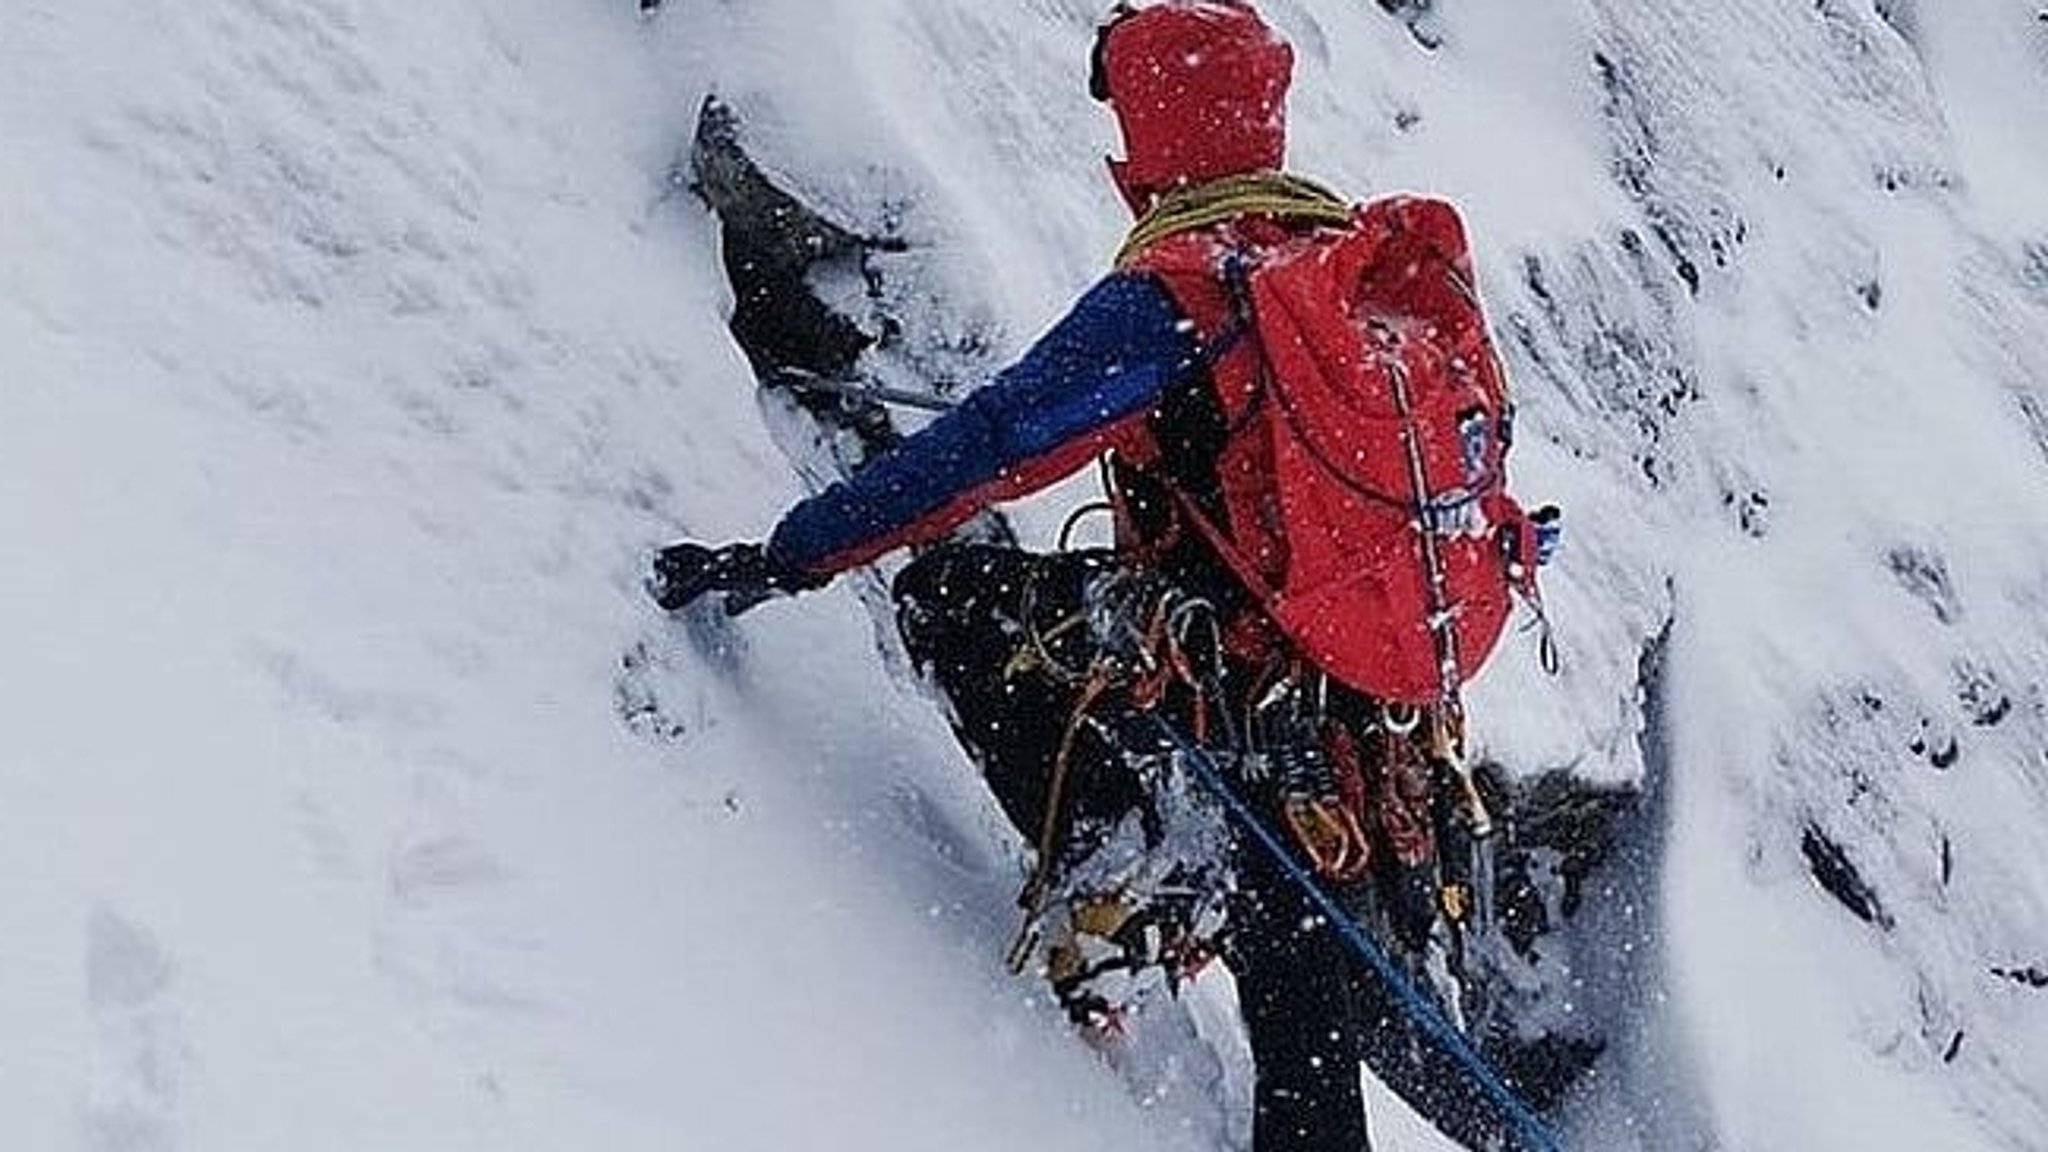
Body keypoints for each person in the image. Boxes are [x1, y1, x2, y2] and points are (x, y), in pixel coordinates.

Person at [652, 4, 1547, 1149]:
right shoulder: (1338, 274)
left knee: (953, 600)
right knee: (1299, 1001)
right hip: (1364, 716)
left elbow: (988, 446)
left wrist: (791, 555)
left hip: (1227, 692)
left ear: (1150, 135)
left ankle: (1111, 865)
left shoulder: (1183, 293)